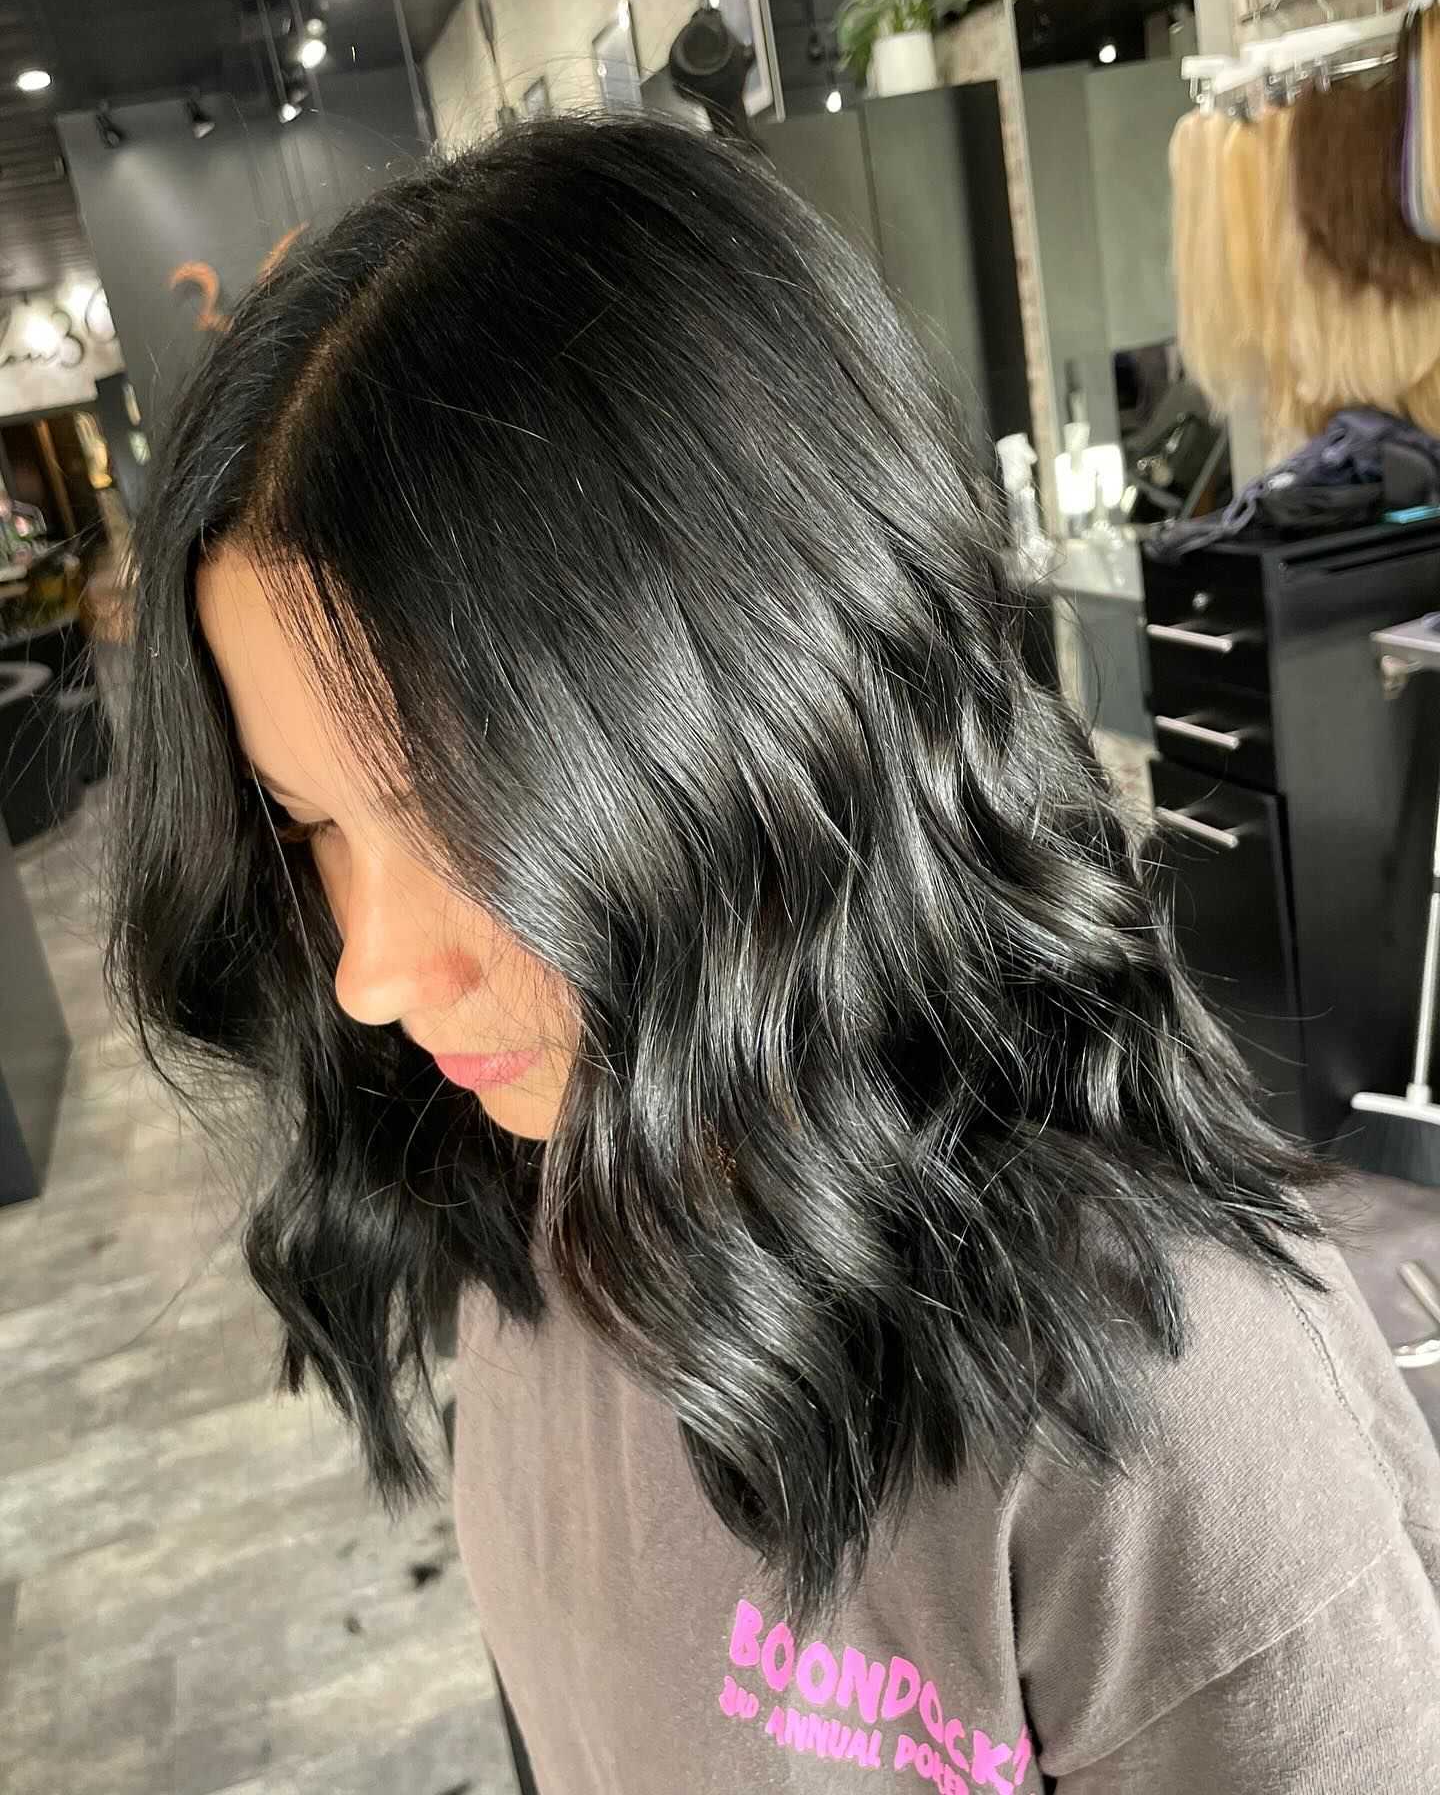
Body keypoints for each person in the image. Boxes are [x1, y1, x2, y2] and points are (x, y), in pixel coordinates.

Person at [104, 112, 1440, 1793]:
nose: (366, 967)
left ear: (772, 728)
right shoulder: (533, 1196)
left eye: (455, 817)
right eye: (316, 828)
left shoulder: (1173, 1415)